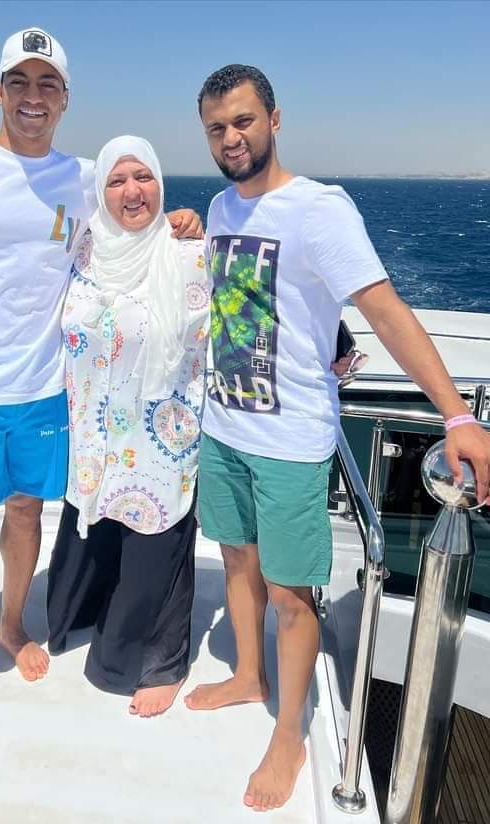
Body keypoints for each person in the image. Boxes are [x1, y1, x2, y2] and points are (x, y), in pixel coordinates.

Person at [183, 64, 490, 813]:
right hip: (222, 426)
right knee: (237, 560)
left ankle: (289, 733)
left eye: (243, 121)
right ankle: (249, 675)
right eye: (217, 128)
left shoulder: (320, 209)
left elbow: (384, 310)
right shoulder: (219, 208)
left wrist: (456, 415)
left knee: (291, 593)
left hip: (291, 440)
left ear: (274, 119)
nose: (231, 138)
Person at [0, 27, 199, 762]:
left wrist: (184, 218)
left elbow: (133, 209)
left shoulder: (83, 176)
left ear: (65, 100)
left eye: (48, 85)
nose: (33, 98)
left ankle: (10, 625)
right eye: (20, 82)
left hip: (43, 390)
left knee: (29, 512)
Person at [45, 136, 210, 718]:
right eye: (116, 180)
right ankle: (84, 613)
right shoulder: (81, 242)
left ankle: (160, 662)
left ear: (161, 182)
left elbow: (246, 313)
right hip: (93, 430)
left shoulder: (189, 252)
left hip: (160, 434)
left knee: (153, 535)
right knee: (97, 522)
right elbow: (22, 272)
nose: (132, 191)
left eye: (144, 177)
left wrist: (334, 346)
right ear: (99, 191)